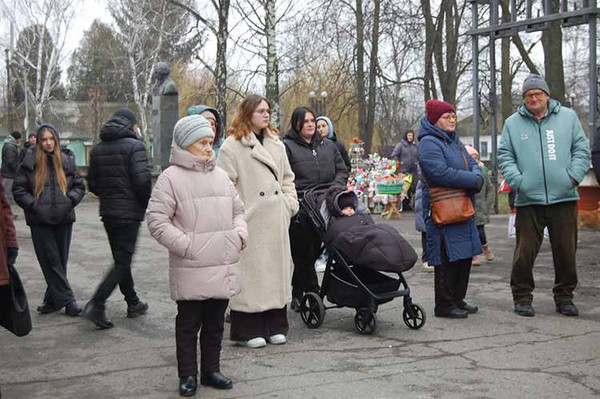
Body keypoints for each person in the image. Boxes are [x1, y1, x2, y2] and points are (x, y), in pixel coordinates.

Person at [147, 115, 247, 397]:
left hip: (222, 262)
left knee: (215, 323)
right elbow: (156, 220)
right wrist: (186, 245)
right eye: (202, 142)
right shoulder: (171, 178)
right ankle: (187, 374)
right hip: (191, 266)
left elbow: (238, 211)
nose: (208, 147)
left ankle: (211, 370)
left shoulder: (221, 176)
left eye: (210, 142)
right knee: (189, 324)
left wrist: (239, 236)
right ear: (187, 143)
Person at [498, 74, 591, 317]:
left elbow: (581, 149)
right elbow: (505, 155)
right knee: (524, 252)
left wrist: (572, 177)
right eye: (529, 95)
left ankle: (564, 297)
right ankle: (522, 297)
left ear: (547, 95)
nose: (533, 98)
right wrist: (519, 182)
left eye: (538, 93)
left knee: (566, 252)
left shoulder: (568, 118)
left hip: (564, 198)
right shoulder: (512, 123)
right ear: (524, 98)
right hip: (529, 199)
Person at [217, 94, 298, 348]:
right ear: (247, 113)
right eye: (261, 110)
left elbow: (287, 178)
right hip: (251, 220)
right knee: (252, 275)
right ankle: (247, 329)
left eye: (268, 110)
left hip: (275, 219)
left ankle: (275, 324)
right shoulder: (232, 146)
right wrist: (238, 215)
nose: (266, 114)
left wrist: (288, 205)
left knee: (275, 273)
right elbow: (224, 186)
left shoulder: (277, 144)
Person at [83, 109, 152, 329]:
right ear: (132, 126)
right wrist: (143, 202)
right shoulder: (135, 147)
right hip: (129, 213)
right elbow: (142, 182)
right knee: (123, 261)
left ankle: (132, 302)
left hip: (109, 212)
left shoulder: (98, 149)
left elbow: (92, 184)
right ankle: (97, 302)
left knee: (121, 259)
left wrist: (110, 195)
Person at [417, 99, 484, 319]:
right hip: (442, 208)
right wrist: (472, 180)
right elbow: (440, 173)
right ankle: (444, 304)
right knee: (446, 257)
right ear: (435, 120)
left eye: (453, 116)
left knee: (464, 255)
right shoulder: (429, 143)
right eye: (447, 117)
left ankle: (457, 299)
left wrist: (476, 175)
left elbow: (472, 162)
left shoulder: (454, 141)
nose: (452, 120)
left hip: (462, 206)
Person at [13, 124, 86, 316]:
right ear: (38, 141)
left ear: (56, 140)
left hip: (64, 220)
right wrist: (35, 206)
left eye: (51, 139)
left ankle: (51, 300)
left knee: (59, 262)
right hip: (40, 221)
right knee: (50, 262)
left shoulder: (66, 160)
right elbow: (19, 190)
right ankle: (69, 301)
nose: (48, 143)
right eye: (44, 139)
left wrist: (69, 201)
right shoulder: (29, 162)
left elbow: (79, 186)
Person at [283, 106, 348, 311]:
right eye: (306, 121)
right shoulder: (287, 147)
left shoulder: (328, 145)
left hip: (327, 203)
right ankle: (312, 294)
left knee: (313, 253)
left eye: (313, 120)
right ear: (297, 124)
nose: (311, 124)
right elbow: (285, 176)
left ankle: (297, 292)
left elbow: (342, 169)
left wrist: (335, 189)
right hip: (302, 206)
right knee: (304, 253)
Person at [465, 145, 494, 266]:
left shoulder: (482, 172)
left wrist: (487, 205)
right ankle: (474, 255)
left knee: (480, 232)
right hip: (467, 207)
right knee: (469, 233)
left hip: (480, 207)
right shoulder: (464, 173)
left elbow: (489, 189)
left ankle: (485, 246)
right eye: (471, 157)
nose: (474, 160)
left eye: (476, 157)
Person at [391, 130, 419, 209]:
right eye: (409, 135)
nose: (410, 137)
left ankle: (409, 204)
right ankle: (402, 204)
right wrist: (398, 163)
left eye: (411, 136)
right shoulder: (400, 145)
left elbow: (418, 156)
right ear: (406, 136)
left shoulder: (415, 146)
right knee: (404, 188)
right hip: (403, 170)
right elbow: (394, 155)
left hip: (413, 170)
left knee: (413, 187)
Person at [413, 179, 433, 272]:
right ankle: (427, 259)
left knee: (427, 233)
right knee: (427, 233)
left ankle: (427, 259)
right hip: (426, 205)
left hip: (424, 204)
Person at [2, 131, 22, 205]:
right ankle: (7, 213)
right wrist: (17, 170)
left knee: (8, 193)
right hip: (9, 174)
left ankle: (9, 213)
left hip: (7, 173)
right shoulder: (10, 146)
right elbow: (11, 161)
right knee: (7, 193)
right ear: (17, 138)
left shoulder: (9, 144)